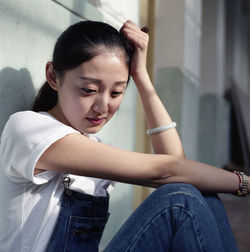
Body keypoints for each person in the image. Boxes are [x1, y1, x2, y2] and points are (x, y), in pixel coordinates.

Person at [0, 19, 248, 252]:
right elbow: (169, 170)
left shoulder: (92, 145)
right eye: (88, 90)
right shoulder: (28, 128)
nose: (102, 106)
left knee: (202, 193)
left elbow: (179, 169)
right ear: (54, 76)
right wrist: (243, 183)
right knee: (180, 201)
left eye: (117, 92)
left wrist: (141, 77)